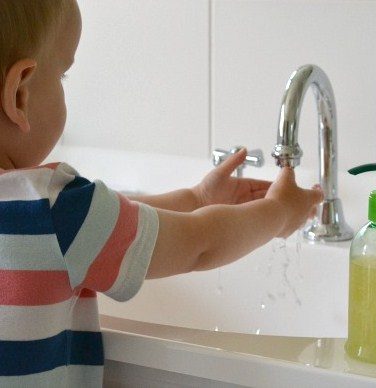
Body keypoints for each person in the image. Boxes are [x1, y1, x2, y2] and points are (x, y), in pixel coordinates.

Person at [0, 1, 323, 386]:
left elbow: (108, 223)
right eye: (63, 76)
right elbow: (199, 243)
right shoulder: (52, 210)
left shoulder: (54, 215)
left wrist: (197, 199)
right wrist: (279, 212)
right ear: (20, 95)